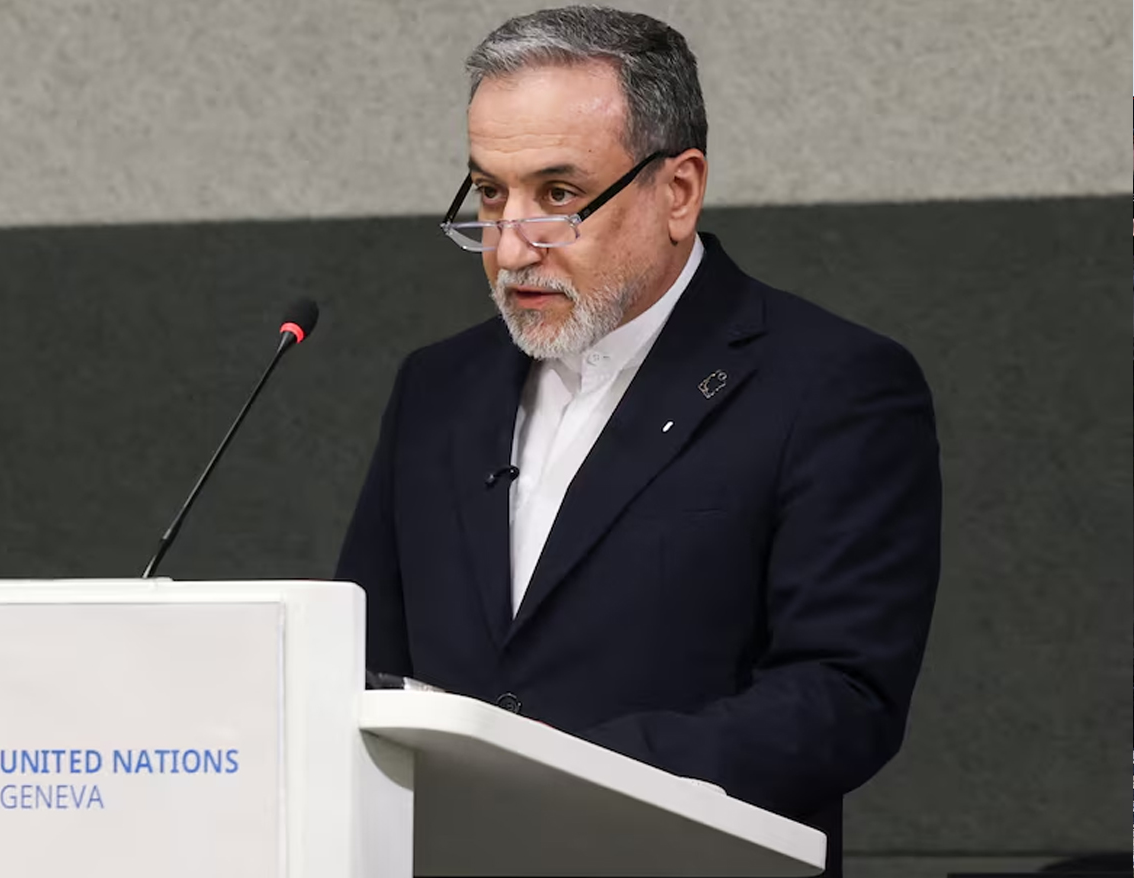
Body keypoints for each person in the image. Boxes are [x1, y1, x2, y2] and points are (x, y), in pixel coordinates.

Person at [335, 7, 942, 877]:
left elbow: (842, 697)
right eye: (489, 193)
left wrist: (556, 780)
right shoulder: (439, 388)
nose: (510, 246)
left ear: (678, 191)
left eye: (558, 195)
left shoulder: (831, 385)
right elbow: (363, 659)